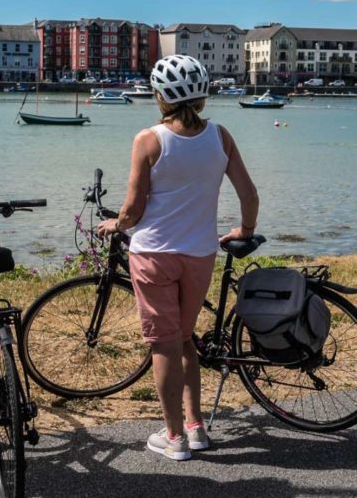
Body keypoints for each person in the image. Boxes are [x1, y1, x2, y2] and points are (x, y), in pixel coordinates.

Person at [97, 55, 259, 461]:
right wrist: (245, 230)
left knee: (164, 346)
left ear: (159, 96)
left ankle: (173, 439)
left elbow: (133, 210)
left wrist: (114, 225)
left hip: (153, 254)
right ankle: (195, 426)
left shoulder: (148, 140)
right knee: (185, 339)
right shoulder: (220, 137)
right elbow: (249, 194)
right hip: (200, 254)